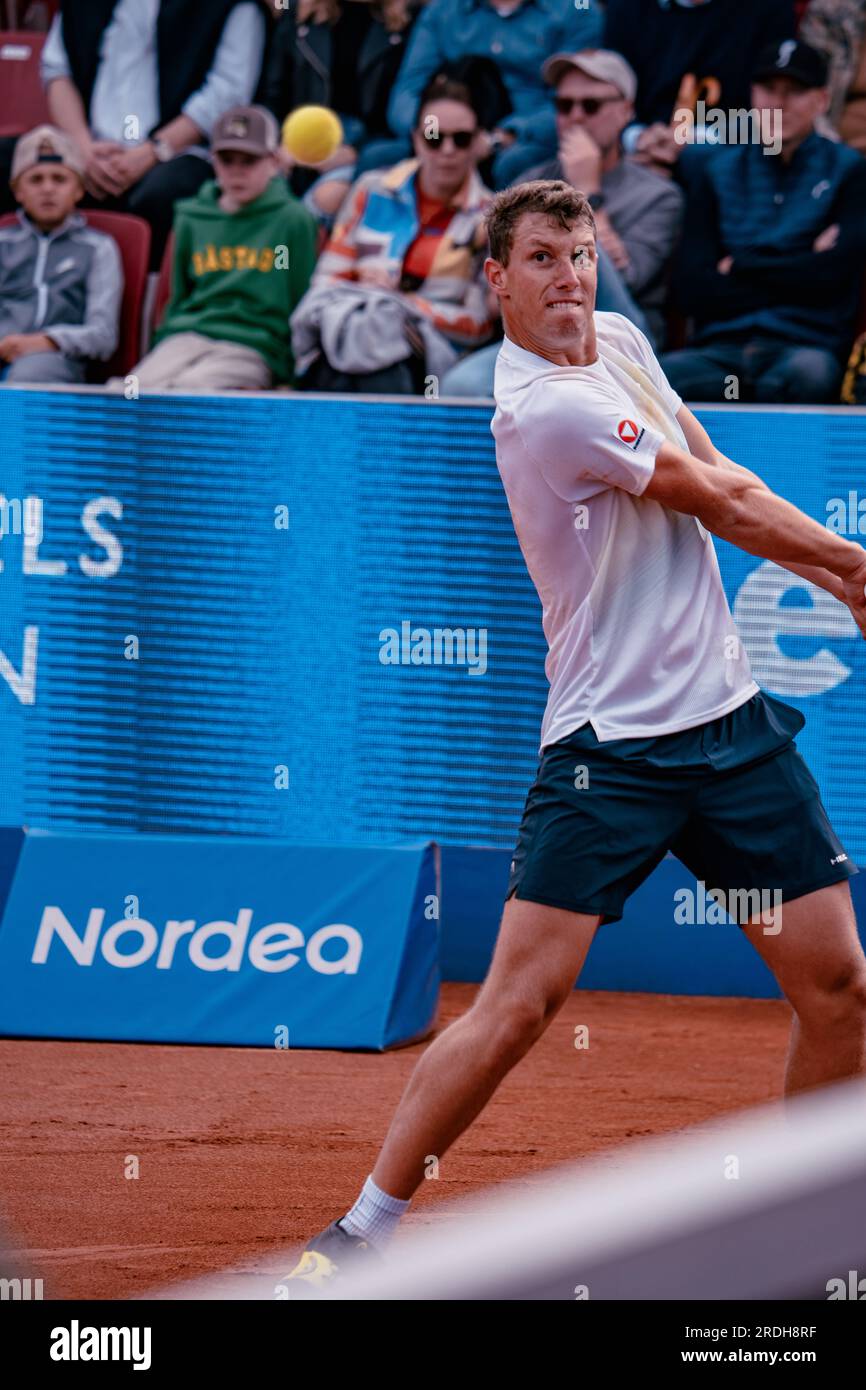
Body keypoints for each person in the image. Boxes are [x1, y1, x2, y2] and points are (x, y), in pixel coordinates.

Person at [284, 176, 866, 1293]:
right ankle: (364, 1228)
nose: (569, 279)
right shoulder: (540, 408)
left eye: (582, 254)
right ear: (494, 278)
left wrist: (832, 580)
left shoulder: (612, 339)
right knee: (517, 1009)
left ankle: (810, 1233)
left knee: (837, 986)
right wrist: (846, 566)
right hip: (609, 753)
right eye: (543, 259)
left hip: (731, 727)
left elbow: (720, 468)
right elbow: (713, 503)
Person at [440, 46, 683, 395]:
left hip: (615, 343)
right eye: (564, 106)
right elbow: (500, 285)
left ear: (626, 111)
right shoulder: (526, 183)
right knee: (460, 386)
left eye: (591, 106)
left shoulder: (658, 195)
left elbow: (627, 284)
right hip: (535, 339)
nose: (576, 117)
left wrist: (587, 193)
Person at [660, 40, 866, 404]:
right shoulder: (715, 170)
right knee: (658, 380)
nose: (779, 102)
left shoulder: (849, 171)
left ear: (822, 99)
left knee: (809, 375)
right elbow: (691, 288)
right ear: (752, 94)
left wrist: (740, 264)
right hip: (719, 349)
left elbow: (833, 280)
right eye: (769, 88)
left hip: (803, 345)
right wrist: (801, 259)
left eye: (795, 90)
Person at [291, 74, 496, 394]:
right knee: (360, 340)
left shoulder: (491, 216)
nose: (446, 150)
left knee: (380, 353)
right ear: (415, 139)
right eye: (434, 137)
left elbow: (478, 324)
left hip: (426, 355)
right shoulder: (371, 190)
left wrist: (405, 306)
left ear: (479, 143)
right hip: (354, 329)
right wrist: (375, 303)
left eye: (461, 139)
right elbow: (326, 282)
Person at [35, 0, 268, 268]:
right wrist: (82, 148)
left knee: (162, 195)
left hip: (180, 150)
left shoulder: (235, 6)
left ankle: (154, 300)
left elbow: (228, 91)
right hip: (89, 146)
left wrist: (152, 151)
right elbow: (57, 71)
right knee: (15, 168)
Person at [123, 107, 317, 392]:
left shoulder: (289, 220)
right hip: (187, 336)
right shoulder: (192, 216)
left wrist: (289, 374)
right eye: (227, 160)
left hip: (255, 343)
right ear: (213, 161)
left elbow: (296, 296)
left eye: (249, 160)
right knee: (130, 390)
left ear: (273, 161)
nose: (237, 171)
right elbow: (179, 294)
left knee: (193, 390)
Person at [369, 0, 603, 188]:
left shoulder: (577, 9)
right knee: (378, 156)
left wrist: (503, 136)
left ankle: (493, 243)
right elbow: (408, 90)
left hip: (524, 135)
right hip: (448, 124)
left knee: (513, 164)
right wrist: (433, 135)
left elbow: (576, 102)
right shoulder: (442, 10)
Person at [603, 0, 795, 180]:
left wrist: (699, 137)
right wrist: (636, 137)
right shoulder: (626, 7)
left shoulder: (769, 8)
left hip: (728, 159)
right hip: (636, 154)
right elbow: (602, 91)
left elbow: (777, 111)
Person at [0, 126, 122, 386]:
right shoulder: (3, 242)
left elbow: (103, 335)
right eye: (35, 179)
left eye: (59, 179)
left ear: (79, 189)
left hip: (57, 360)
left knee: (25, 380)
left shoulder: (98, 247)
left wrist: (45, 341)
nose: (47, 189)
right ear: (17, 191)